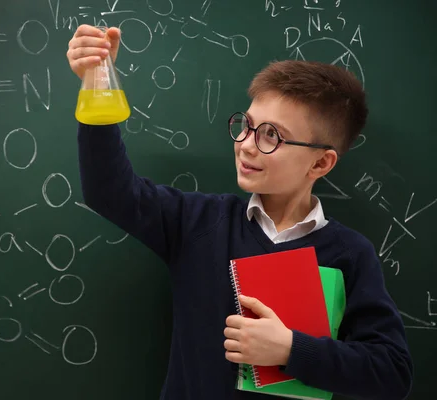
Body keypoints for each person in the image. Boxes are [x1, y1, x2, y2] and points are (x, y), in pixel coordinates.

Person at [67, 24, 413, 400]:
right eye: (246, 125)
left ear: (320, 164)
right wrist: (97, 80)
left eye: (271, 135)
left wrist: (291, 350)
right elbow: (109, 192)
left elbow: (392, 373)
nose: (247, 145)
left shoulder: (349, 253)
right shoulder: (198, 222)